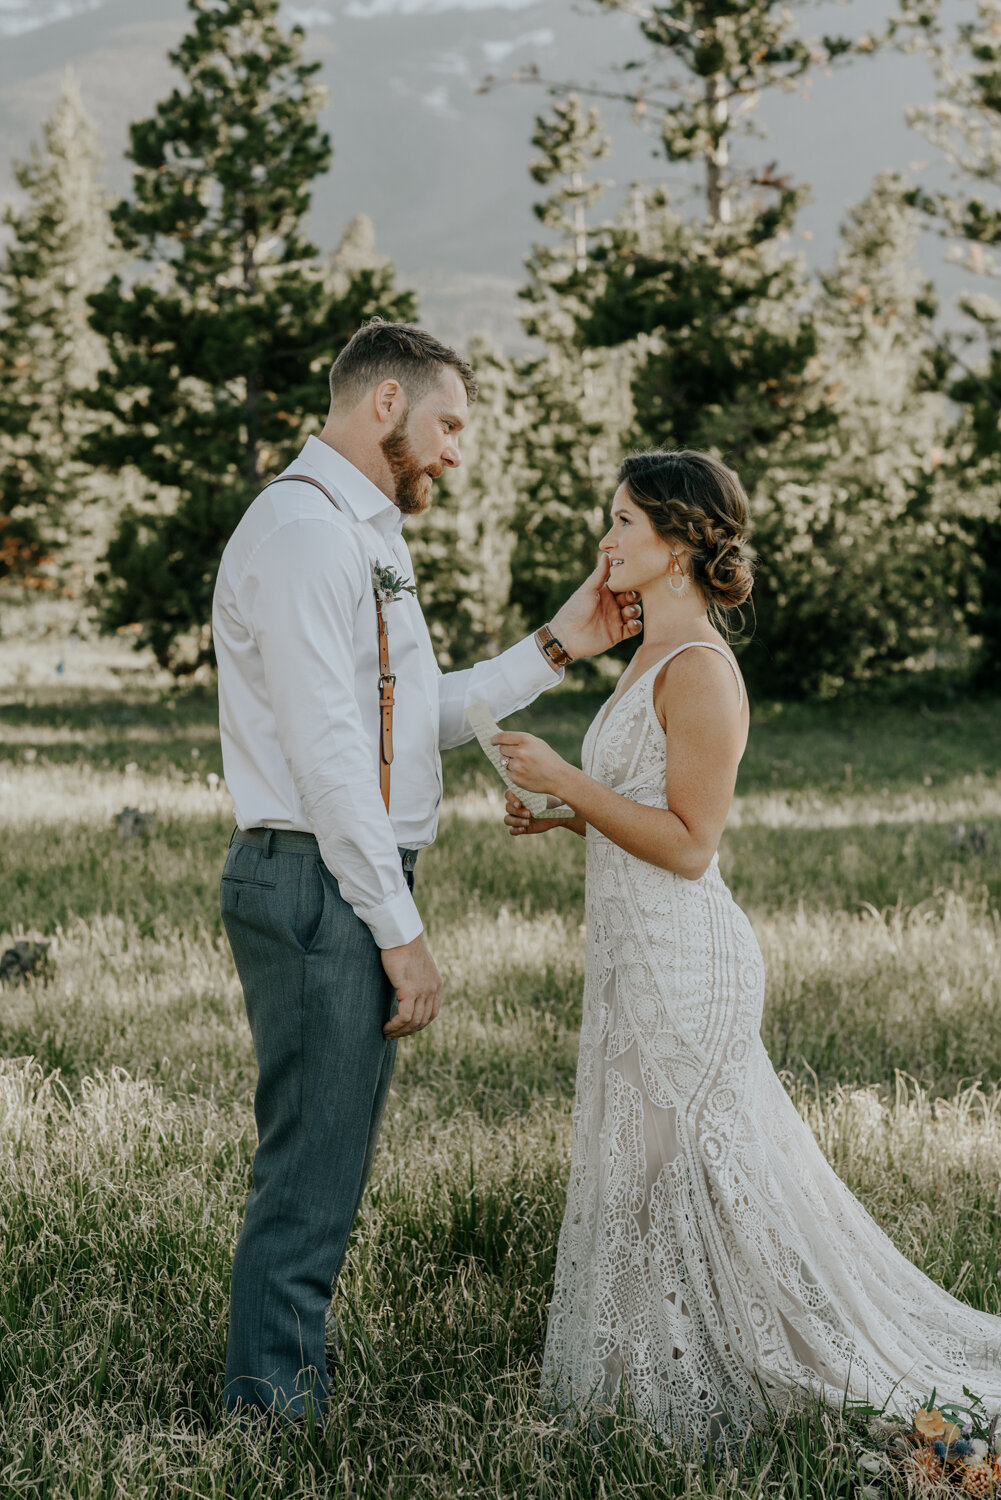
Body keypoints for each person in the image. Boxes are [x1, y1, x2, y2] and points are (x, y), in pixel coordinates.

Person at [495, 448, 1001, 1445]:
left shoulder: (701, 673)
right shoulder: (642, 652)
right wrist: (564, 818)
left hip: (688, 965)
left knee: (698, 1185)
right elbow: (644, 809)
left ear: (679, 545)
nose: (604, 542)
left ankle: (798, 1377)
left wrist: (566, 780)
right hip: (634, 959)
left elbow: (689, 846)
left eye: (623, 525)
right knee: (648, 1185)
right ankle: (660, 1385)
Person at [211, 320, 643, 1424]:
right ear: (386, 403)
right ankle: (271, 1416)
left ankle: (287, 1380)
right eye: (447, 425)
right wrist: (398, 930)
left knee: (328, 1153)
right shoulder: (309, 538)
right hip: (319, 877)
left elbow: (412, 721)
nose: (455, 453)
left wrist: (556, 645)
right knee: (311, 1167)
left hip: (336, 872)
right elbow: (331, 765)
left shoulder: (362, 533)